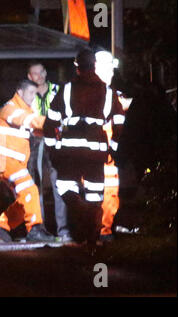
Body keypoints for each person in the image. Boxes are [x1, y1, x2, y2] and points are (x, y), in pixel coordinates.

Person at [43, 49, 124, 246]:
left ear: (77, 67)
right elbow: (120, 121)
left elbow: (50, 122)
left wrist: (52, 149)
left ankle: (84, 217)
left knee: (64, 188)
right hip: (97, 151)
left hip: (70, 151)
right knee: (95, 194)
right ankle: (93, 238)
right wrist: (112, 147)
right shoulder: (108, 92)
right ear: (94, 66)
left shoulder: (66, 90)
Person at [0, 79, 56, 243]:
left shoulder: (23, 110)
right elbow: (30, 121)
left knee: (24, 198)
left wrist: (56, 130)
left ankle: (1, 227)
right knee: (30, 189)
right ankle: (35, 228)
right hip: (2, 161)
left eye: (35, 94)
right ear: (19, 92)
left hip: (8, 163)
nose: (34, 97)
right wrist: (53, 122)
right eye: (31, 93)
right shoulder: (10, 108)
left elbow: (36, 129)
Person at [26, 62, 71, 242]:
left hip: (55, 141)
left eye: (41, 72)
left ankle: (63, 229)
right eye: (35, 74)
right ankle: (38, 228)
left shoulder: (57, 90)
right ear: (30, 77)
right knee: (34, 186)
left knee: (59, 185)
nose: (39, 76)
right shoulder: (26, 93)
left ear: (46, 72)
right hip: (35, 141)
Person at [94, 50, 132, 242]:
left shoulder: (109, 94)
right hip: (102, 150)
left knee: (103, 191)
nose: (111, 73)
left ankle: (100, 229)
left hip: (100, 150)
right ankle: (102, 230)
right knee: (103, 191)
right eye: (109, 69)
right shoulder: (100, 94)